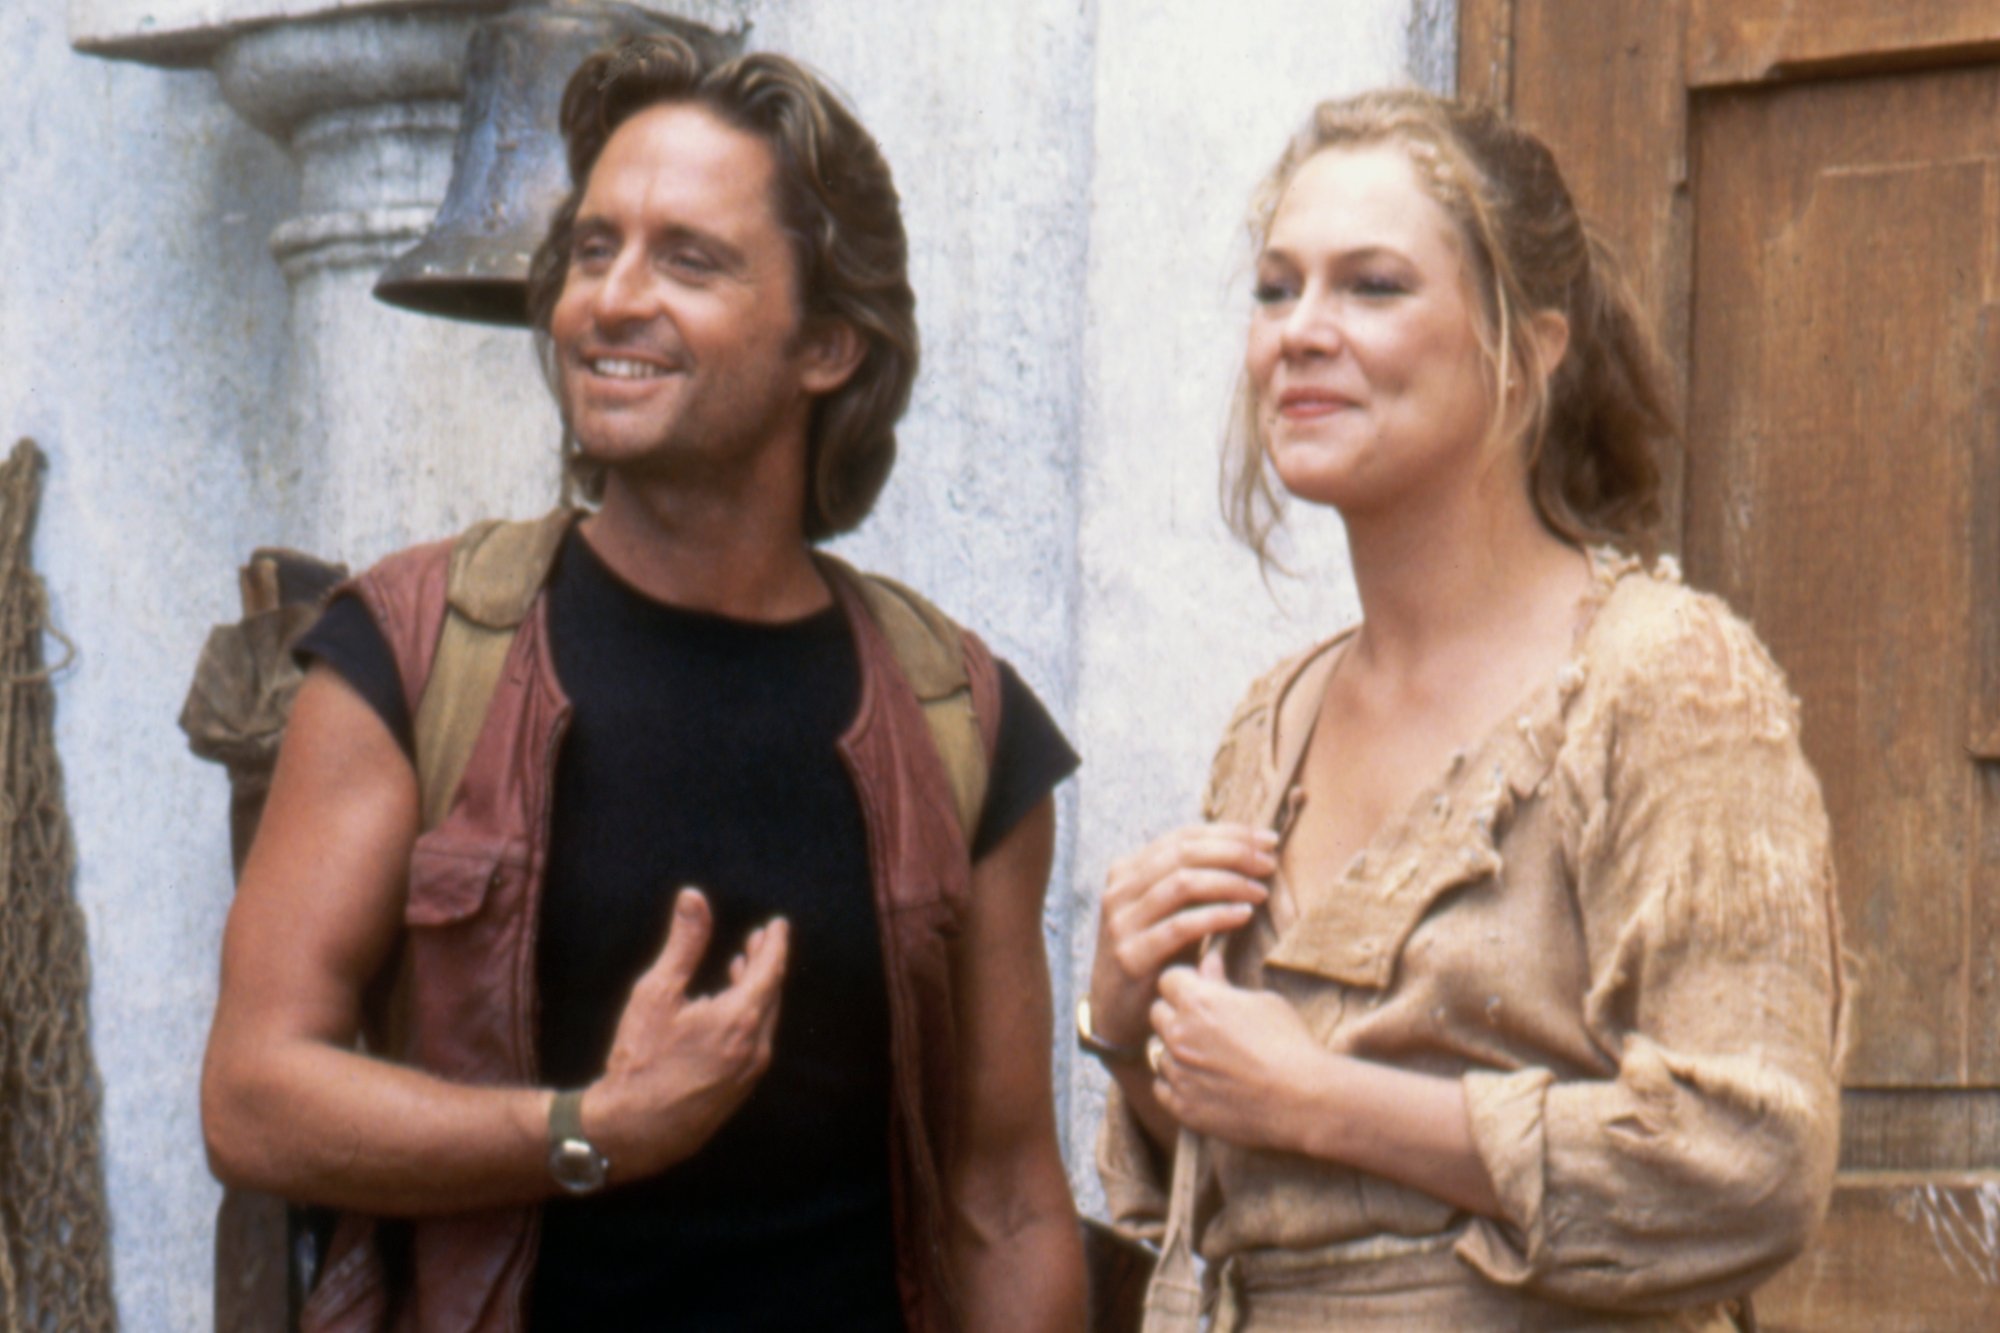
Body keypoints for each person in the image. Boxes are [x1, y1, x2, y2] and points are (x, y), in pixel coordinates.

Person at [201, 34, 1086, 1333]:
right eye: (594, 247)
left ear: (829, 343)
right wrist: (590, 1131)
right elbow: (255, 1094)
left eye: (689, 258)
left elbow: (1003, 1195)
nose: (609, 298)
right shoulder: (410, 650)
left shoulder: (962, 718)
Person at [1085, 90, 1845, 1331]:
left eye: (1371, 286)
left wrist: (1319, 1095)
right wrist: (1125, 1029)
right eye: (1277, 289)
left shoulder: (1661, 681)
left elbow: (1747, 1162)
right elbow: (1265, 1183)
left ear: (1529, 345)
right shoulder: (1272, 719)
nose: (1301, 332)